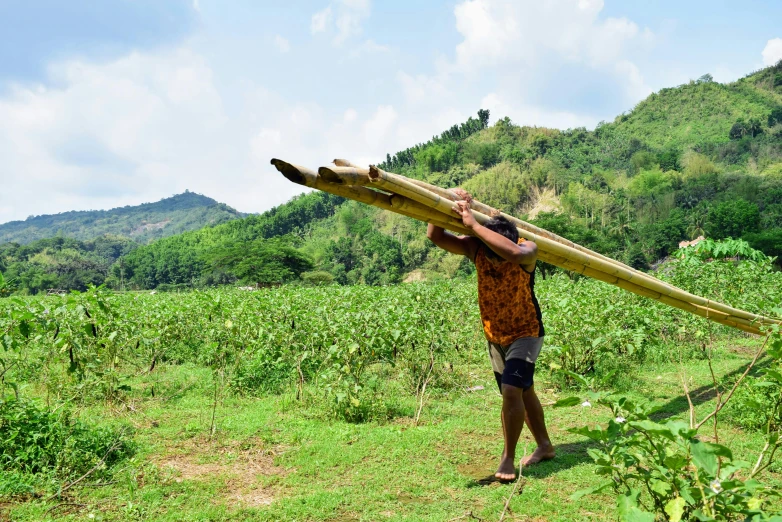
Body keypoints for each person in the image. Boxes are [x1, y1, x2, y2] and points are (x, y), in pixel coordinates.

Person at [426, 190, 555, 481]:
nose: (496, 261)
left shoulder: (526, 250)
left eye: (498, 253)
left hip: (526, 332)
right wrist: (447, 201)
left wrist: (472, 224)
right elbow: (435, 236)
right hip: (495, 334)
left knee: (512, 390)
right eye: (490, 253)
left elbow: (512, 253)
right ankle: (545, 446)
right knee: (523, 390)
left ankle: (507, 458)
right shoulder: (478, 250)